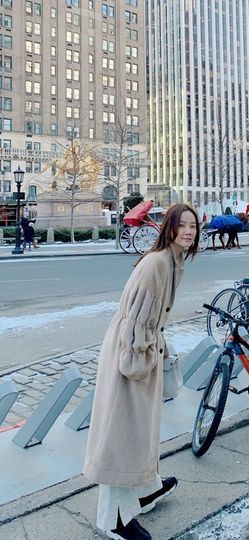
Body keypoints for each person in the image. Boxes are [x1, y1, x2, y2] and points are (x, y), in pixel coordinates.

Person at [83, 203, 200, 540]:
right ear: (170, 228)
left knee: (139, 429)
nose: (189, 232)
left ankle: (145, 488)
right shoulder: (158, 263)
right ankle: (114, 519)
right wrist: (140, 360)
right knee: (121, 436)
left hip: (140, 347)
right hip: (130, 353)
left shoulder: (171, 260)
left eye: (193, 226)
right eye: (182, 225)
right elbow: (136, 321)